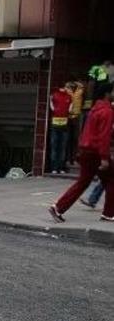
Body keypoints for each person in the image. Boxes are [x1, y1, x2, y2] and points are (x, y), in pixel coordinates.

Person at [49, 82, 114, 222]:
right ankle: (108, 213)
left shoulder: (94, 109)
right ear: (107, 94)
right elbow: (104, 136)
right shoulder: (107, 111)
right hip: (96, 152)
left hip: (86, 150)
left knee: (83, 182)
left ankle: (58, 208)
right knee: (111, 180)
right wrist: (104, 157)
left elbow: (87, 131)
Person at [48, 82, 73, 175]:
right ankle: (60, 168)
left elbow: (53, 108)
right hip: (63, 125)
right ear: (64, 87)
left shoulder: (54, 96)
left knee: (55, 147)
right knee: (62, 147)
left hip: (56, 124)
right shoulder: (68, 97)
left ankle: (55, 168)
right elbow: (70, 110)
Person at [68, 80, 85, 166]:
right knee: (69, 139)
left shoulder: (80, 90)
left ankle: (74, 158)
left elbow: (82, 86)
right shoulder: (68, 90)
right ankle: (69, 158)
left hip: (77, 117)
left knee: (76, 139)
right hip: (67, 117)